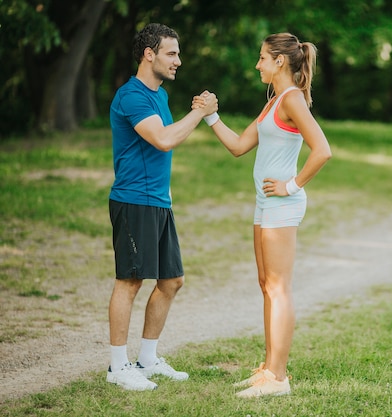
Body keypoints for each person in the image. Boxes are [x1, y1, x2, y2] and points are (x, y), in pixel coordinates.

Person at [197, 32, 332, 398]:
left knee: (279, 288)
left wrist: (292, 185)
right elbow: (240, 146)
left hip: (281, 204)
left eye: (261, 58)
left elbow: (322, 150)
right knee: (266, 285)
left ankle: (278, 378)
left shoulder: (292, 101)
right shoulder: (273, 102)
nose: (257, 64)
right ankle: (268, 369)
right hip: (265, 203)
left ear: (279, 62)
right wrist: (211, 118)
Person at [106, 23, 218, 391]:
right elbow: (164, 139)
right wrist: (200, 113)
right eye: (172, 53)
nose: (179, 61)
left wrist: (194, 115)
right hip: (133, 201)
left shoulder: (160, 96)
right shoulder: (132, 96)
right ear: (148, 54)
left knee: (171, 280)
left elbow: (166, 142)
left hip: (158, 202)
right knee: (131, 280)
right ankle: (118, 367)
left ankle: (148, 359)